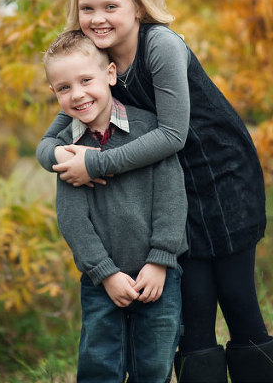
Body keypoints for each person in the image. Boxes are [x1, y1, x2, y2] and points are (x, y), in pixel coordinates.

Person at [37, 0, 272, 382]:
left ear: (138, 3)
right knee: (194, 314)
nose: (98, 18)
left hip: (222, 177)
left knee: (238, 300)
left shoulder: (160, 45)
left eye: (111, 6)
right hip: (171, 190)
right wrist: (61, 157)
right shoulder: (92, 60)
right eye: (87, 8)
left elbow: (172, 135)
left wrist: (98, 164)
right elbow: (52, 137)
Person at [43, 30, 187, 381]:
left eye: (86, 80)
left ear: (110, 74)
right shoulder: (68, 147)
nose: (77, 94)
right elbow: (73, 220)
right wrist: (104, 272)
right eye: (64, 88)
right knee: (99, 365)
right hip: (100, 281)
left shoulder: (149, 129)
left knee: (153, 365)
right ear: (54, 93)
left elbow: (171, 198)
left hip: (158, 275)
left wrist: (160, 259)